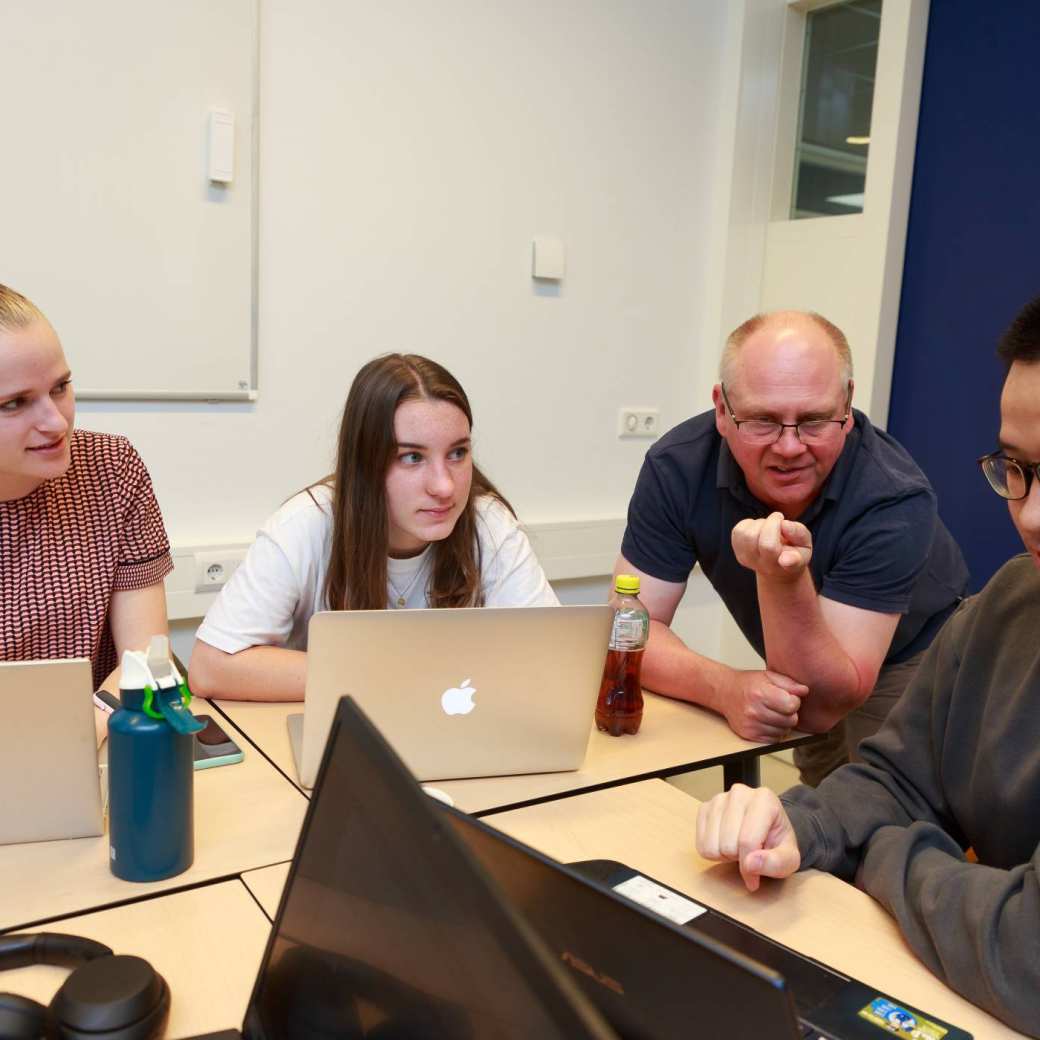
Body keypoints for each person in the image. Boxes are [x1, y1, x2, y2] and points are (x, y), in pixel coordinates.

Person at [693, 297, 1040, 1038]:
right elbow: (896, 778)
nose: (1031, 516)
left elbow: (1028, 959)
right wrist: (796, 822)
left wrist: (881, 850)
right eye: (1017, 468)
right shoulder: (1012, 601)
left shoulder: (892, 498)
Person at [617, 310, 968, 784]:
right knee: (817, 800)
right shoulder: (677, 467)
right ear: (722, 409)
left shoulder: (892, 495)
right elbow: (630, 630)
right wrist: (726, 688)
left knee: (883, 815)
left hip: (909, 657)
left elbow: (821, 707)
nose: (789, 447)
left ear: (846, 406)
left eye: (814, 420)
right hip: (798, 658)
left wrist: (781, 577)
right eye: (762, 420)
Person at [189, 353, 557, 701]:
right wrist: (398, 673)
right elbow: (211, 667)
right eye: (412, 458)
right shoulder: (305, 524)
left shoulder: (488, 523)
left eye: (458, 453)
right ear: (365, 464)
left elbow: (551, 657)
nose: (445, 486)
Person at [0, 284, 172, 744]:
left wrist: (72, 746)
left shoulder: (112, 470)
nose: (57, 422)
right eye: (14, 403)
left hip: (91, 745)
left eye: (61, 387)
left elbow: (146, 659)